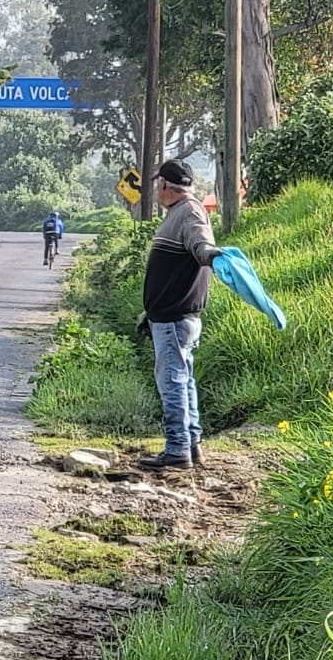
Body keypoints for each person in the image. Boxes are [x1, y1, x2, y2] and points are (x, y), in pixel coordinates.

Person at [137, 159, 221, 471]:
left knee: (172, 381)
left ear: (164, 186)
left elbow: (201, 242)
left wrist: (209, 253)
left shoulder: (189, 211)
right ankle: (191, 444)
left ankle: (177, 448)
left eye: (158, 183)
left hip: (175, 318)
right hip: (168, 315)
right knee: (182, 380)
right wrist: (150, 311)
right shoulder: (179, 213)